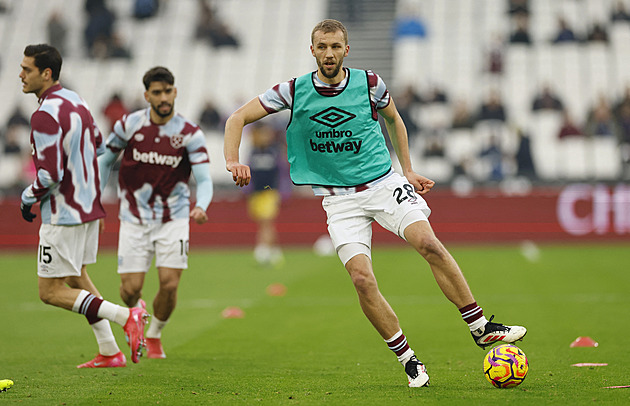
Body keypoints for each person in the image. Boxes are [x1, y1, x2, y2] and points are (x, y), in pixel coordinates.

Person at [223, 19, 527, 388]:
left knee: (429, 243)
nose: (330, 53)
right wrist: (232, 160)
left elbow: (395, 120)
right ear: (312, 50)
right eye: (323, 46)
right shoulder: (294, 90)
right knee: (362, 280)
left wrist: (408, 170)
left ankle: (481, 328)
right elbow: (237, 117)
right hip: (339, 201)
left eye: (336, 46)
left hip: (384, 183)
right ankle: (408, 359)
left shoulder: (369, 83)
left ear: (346, 49)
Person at [18, 44, 149, 368]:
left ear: (46, 73)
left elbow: (49, 175)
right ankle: (109, 350)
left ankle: (127, 315)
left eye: (27, 69)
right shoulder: (77, 101)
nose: (20, 74)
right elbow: (102, 149)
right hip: (87, 208)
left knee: (50, 291)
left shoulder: (45, 114)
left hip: (63, 213)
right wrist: (95, 202)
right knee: (77, 277)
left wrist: (26, 197)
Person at [98, 66, 213, 359]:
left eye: (168, 91)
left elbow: (204, 178)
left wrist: (202, 205)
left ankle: (155, 333)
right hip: (133, 218)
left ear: (175, 92)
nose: (163, 97)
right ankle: (139, 310)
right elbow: (104, 161)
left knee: (170, 283)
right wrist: (95, 202)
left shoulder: (189, 133)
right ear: (147, 95)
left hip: (173, 217)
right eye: (157, 92)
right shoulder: (129, 125)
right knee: (129, 290)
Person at [246, 122, 284, 266]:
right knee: (263, 223)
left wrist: (281, 191)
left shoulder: (273, 151)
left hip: (269, 192)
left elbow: (280, 173)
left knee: (267, 222)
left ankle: (262, 250)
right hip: (256, 193)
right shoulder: (253, 151)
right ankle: (275, 250)